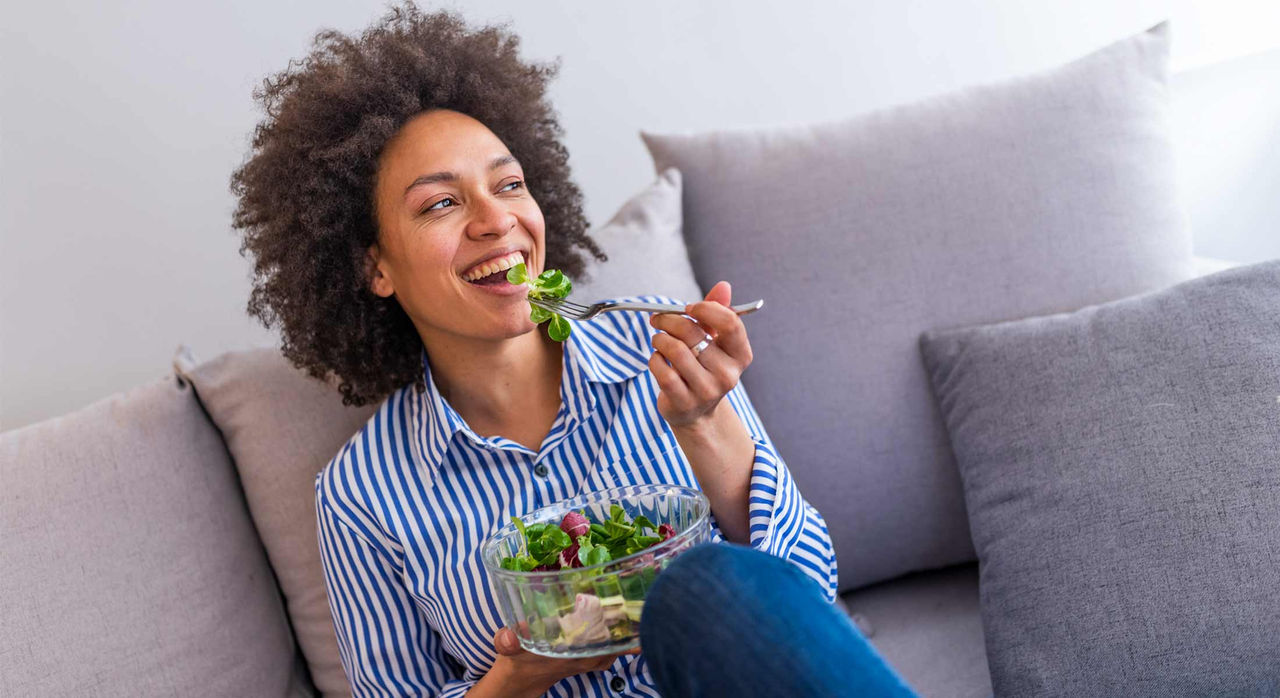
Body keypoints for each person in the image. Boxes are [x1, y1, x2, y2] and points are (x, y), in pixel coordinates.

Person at [232, 4, 910, 696]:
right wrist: (514, 679)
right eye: (441, 204)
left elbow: (807, 599)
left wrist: (706, 424)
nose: (497, 220)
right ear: (374, 267)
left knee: (701, 584)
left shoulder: (668, 350)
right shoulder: (360, 496)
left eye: (508, 185)